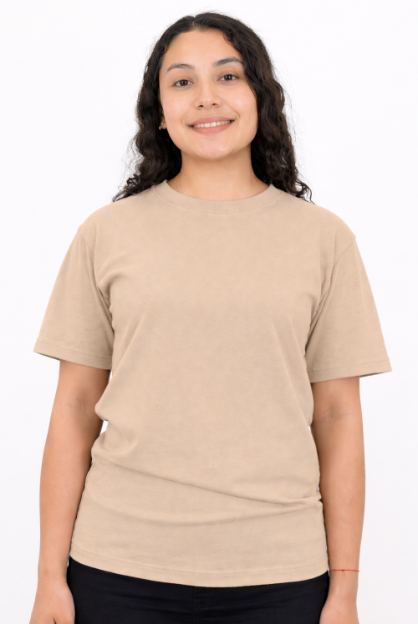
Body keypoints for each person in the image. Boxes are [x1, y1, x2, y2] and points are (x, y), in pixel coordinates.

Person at [29, 11, 392, 624]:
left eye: (228, 76)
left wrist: (346, 589)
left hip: (280, 574)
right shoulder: (106, 234)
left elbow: (337, 415)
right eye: (182, 82)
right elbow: (74, 406)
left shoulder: (324, 240)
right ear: (159, 111)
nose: (206, 98)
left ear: (260, 96)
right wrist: (48, 577)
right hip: (118, 567)